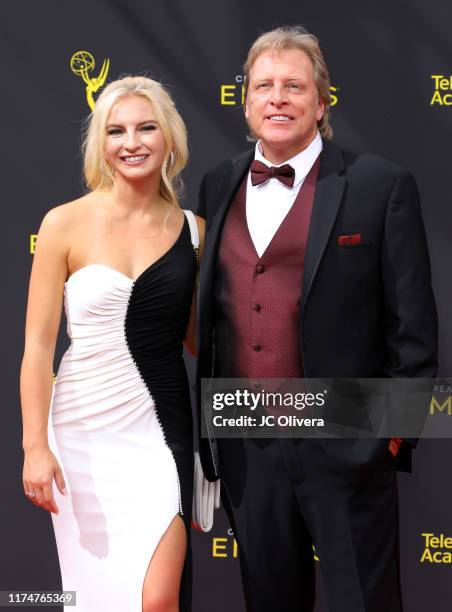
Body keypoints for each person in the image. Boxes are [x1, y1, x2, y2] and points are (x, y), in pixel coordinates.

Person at [196, 26, 438, 612]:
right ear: (246, 101)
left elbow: (414, 327)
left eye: (294, 87)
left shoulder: (380, 185)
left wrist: (388, 436)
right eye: (265, 86)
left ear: (322, 102)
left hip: (347, 444)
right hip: (247, 446)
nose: (278, 98)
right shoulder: (217, 184)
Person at [20, 75, 205, 612]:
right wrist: (35, 445)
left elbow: (199, 340)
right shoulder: (64, 224)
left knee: (156, 600)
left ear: (169, 137)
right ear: (100, 144)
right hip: (80, 434)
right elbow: (37, 347)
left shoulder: (193, 230)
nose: (132, 142)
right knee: (97, 598)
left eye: (147, 128)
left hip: (158, 428)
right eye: (116, 131)